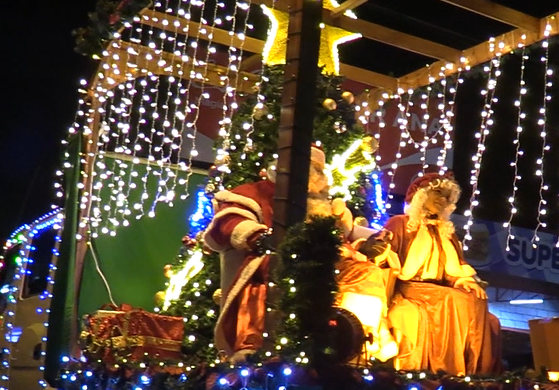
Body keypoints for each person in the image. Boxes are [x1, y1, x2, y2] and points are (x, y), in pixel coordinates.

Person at [202, 146, 392, 363]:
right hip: (277, 259)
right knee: (290, 274)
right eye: (312, 169)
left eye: (320, 170)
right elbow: (228, 223)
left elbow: (340, 239)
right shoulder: (254, 194)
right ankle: (257, 349)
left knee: (367, 273)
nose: (316, 176)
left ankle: (353, 346)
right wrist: (260, 237)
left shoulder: (323, 203)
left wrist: (362, 247)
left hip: (326, 263)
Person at [383, 170, 502, 376]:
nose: (442, 199)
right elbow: (387, 257)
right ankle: (446, 370)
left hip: (439, 288)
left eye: (446, 197)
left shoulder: (447, 232)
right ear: (422, 194)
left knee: (476, 298)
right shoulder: (401, 223)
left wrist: (465, 281)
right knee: (452, 300)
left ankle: (476, 372)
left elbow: (456, 268)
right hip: (411, 287)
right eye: (437, 193)